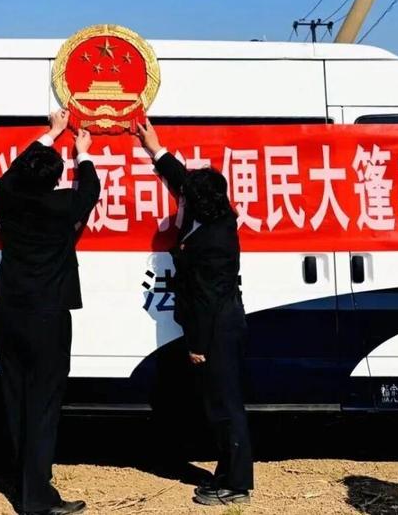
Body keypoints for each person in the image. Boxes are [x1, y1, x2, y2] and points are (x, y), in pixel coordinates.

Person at [137, 119, 254, 506]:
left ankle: (236, 484)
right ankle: (227, 473)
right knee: (217, 403)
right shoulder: (209, 213)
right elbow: (183, 179)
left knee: (225, 405)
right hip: (215, 320)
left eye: (188, 195)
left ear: (199, 202)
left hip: (218, 327)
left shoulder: (213, 240)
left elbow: (207, 299)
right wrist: (155, 147)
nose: (182, 196)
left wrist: (198, 345)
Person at [0, 109, 100, 515]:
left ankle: (26, 481)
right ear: (56, 180)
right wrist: (83, 152)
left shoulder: (7, 195)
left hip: (9, 313)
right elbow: (91, 190)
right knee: (43, 405)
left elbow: (14, 171)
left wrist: (51, 133)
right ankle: (36, 497)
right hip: (48, 317)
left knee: (16, 398)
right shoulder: (63, 205)